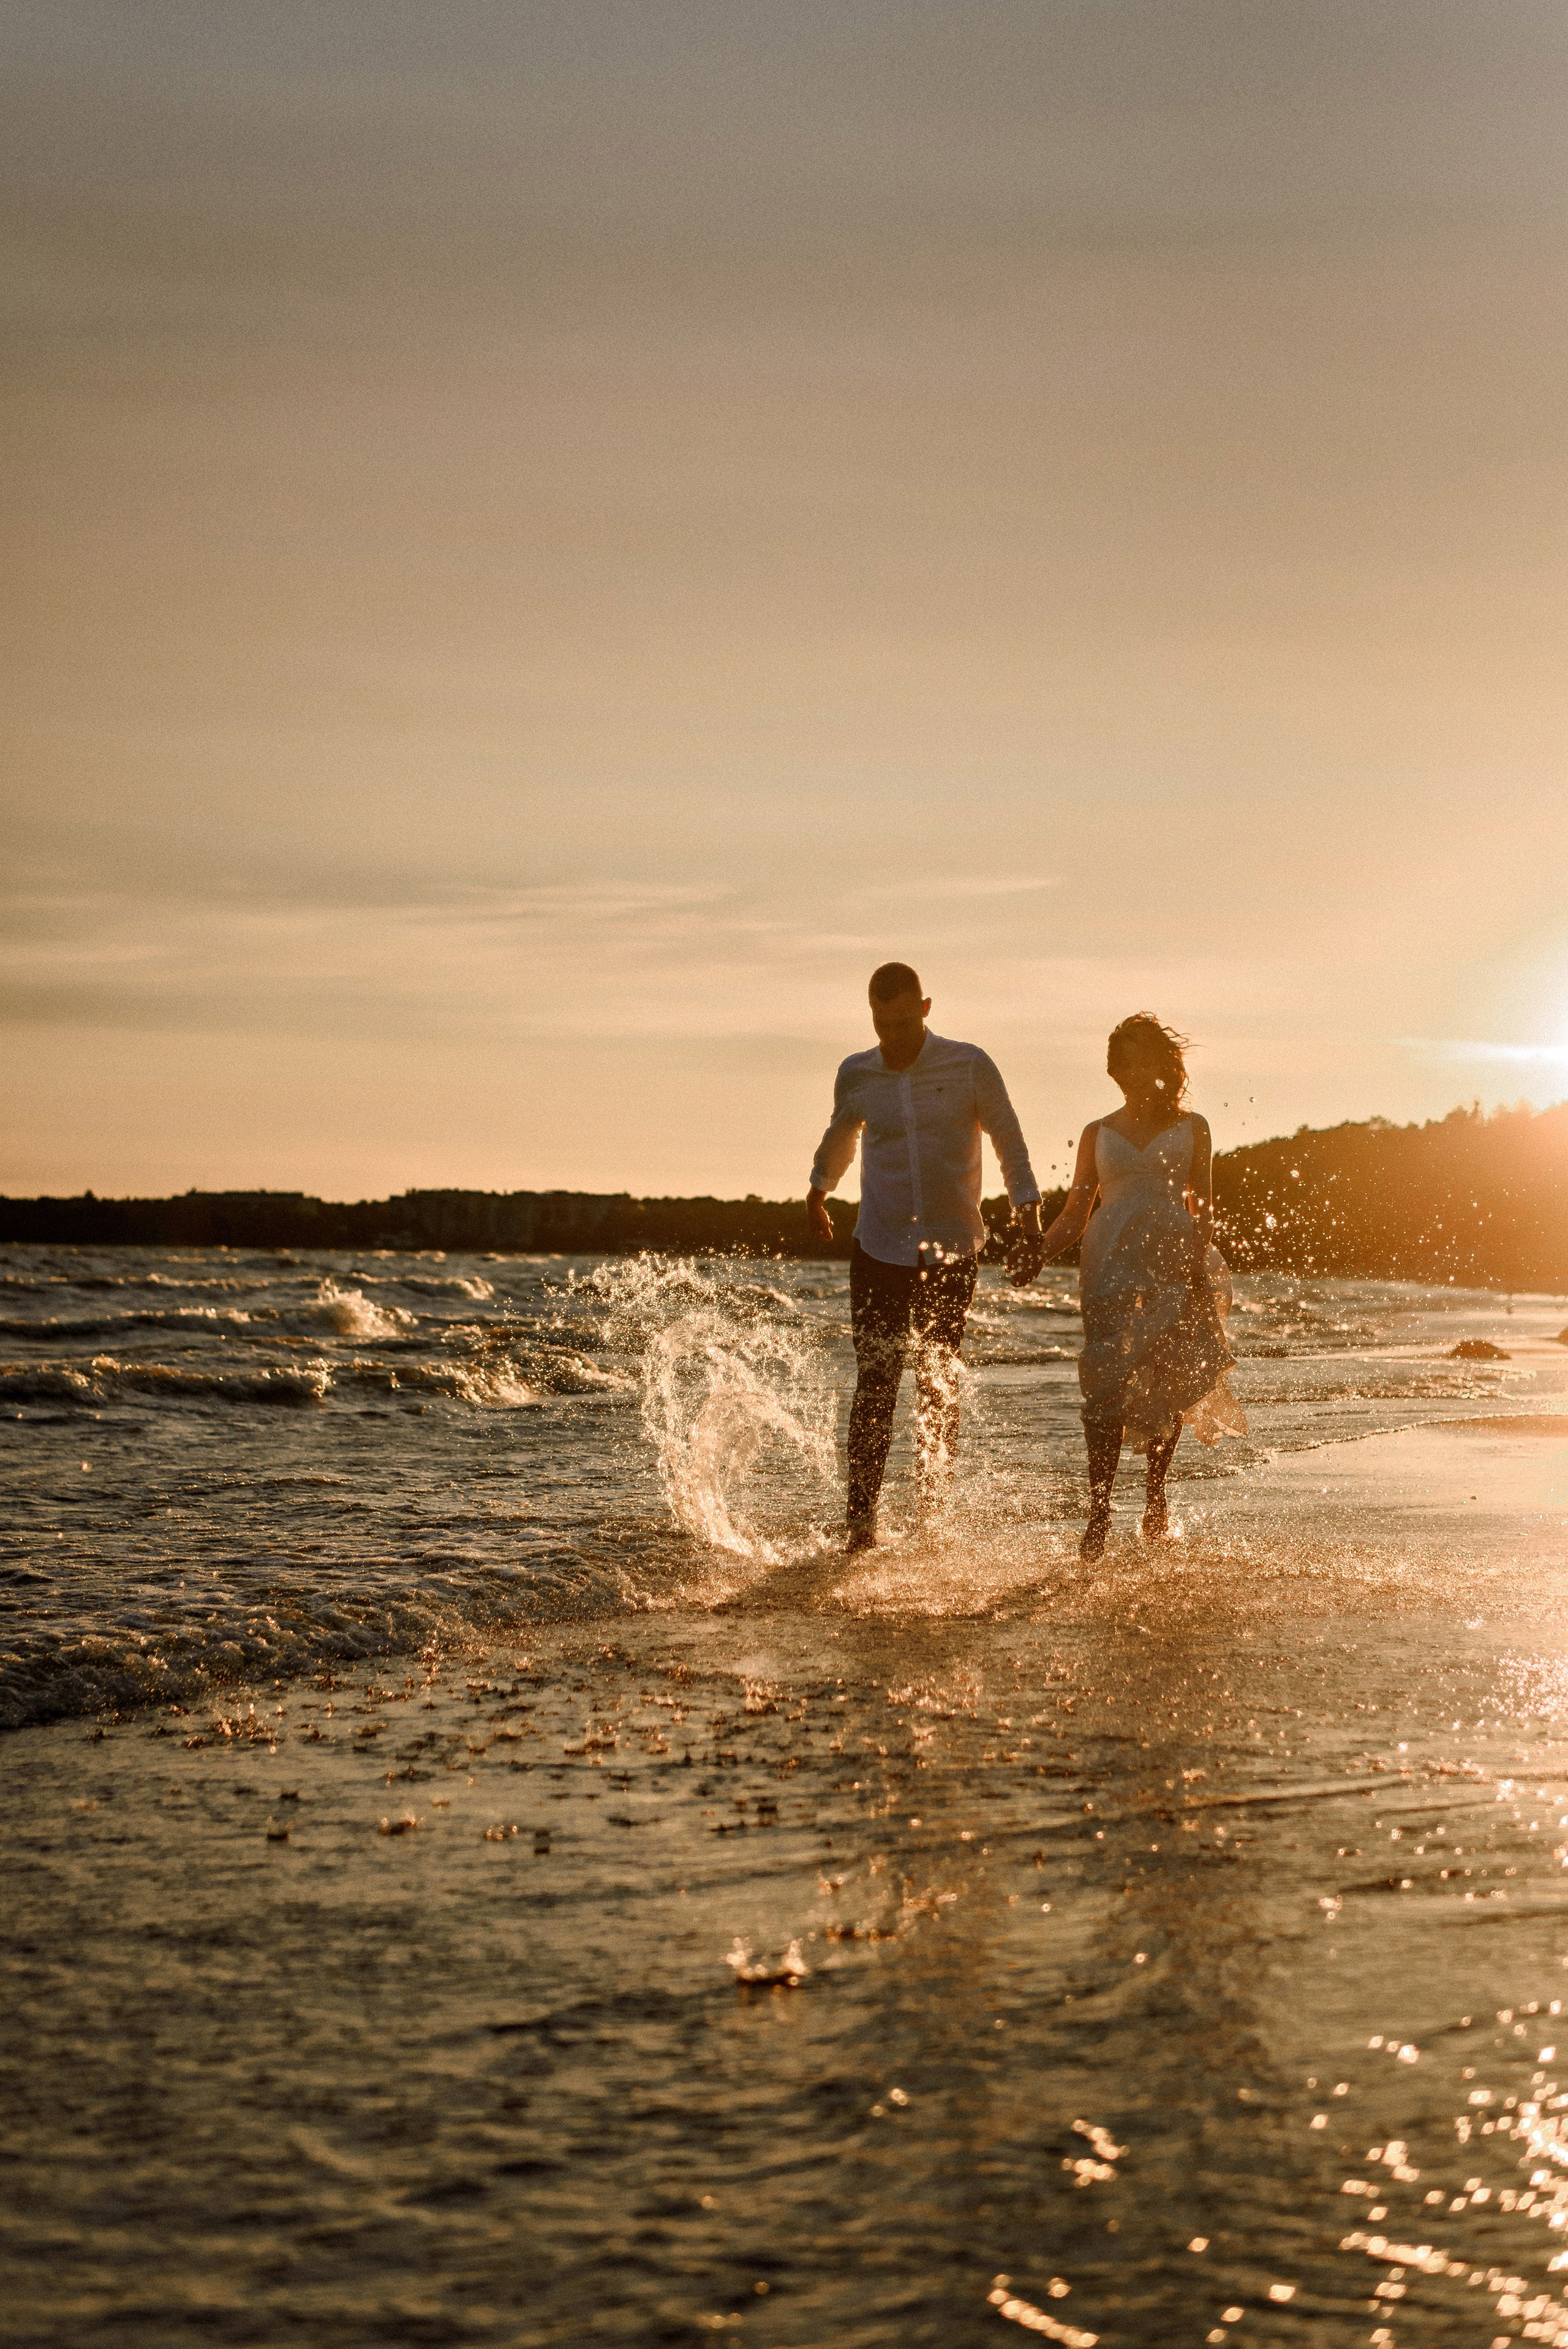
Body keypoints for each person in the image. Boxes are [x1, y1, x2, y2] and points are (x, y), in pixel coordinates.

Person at [807, 963, 1046, 1550]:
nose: (892, 1037)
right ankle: (860, 1525)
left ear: (926, 1008)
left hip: (951, 1247)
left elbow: (1008, 1136)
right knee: (876, 1382)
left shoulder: (968, 1064)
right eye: (881, 1025)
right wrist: (818, 1190)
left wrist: (1027, 1206)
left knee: (938, 1380)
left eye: (903, 1023)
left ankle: (931, 1516)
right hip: (879, 1246)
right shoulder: (857, 1072)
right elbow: (842, 1135)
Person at [1035, 1013, 1246, 1561]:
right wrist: (1035, 1252)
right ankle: (1099, 1513)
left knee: (1167, 1371)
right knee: (1105, 1375)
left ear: (1160, 1064)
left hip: (1174, 1258)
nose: (1130, 1071)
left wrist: (1200, 1262)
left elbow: (1202, 1205)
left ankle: (1155, 1494)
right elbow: (1075, 1212)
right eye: (1121, 1062)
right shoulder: (1096, 1132)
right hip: (1108, 1261)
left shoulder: (1194, 1125)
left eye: (1139, 1059)